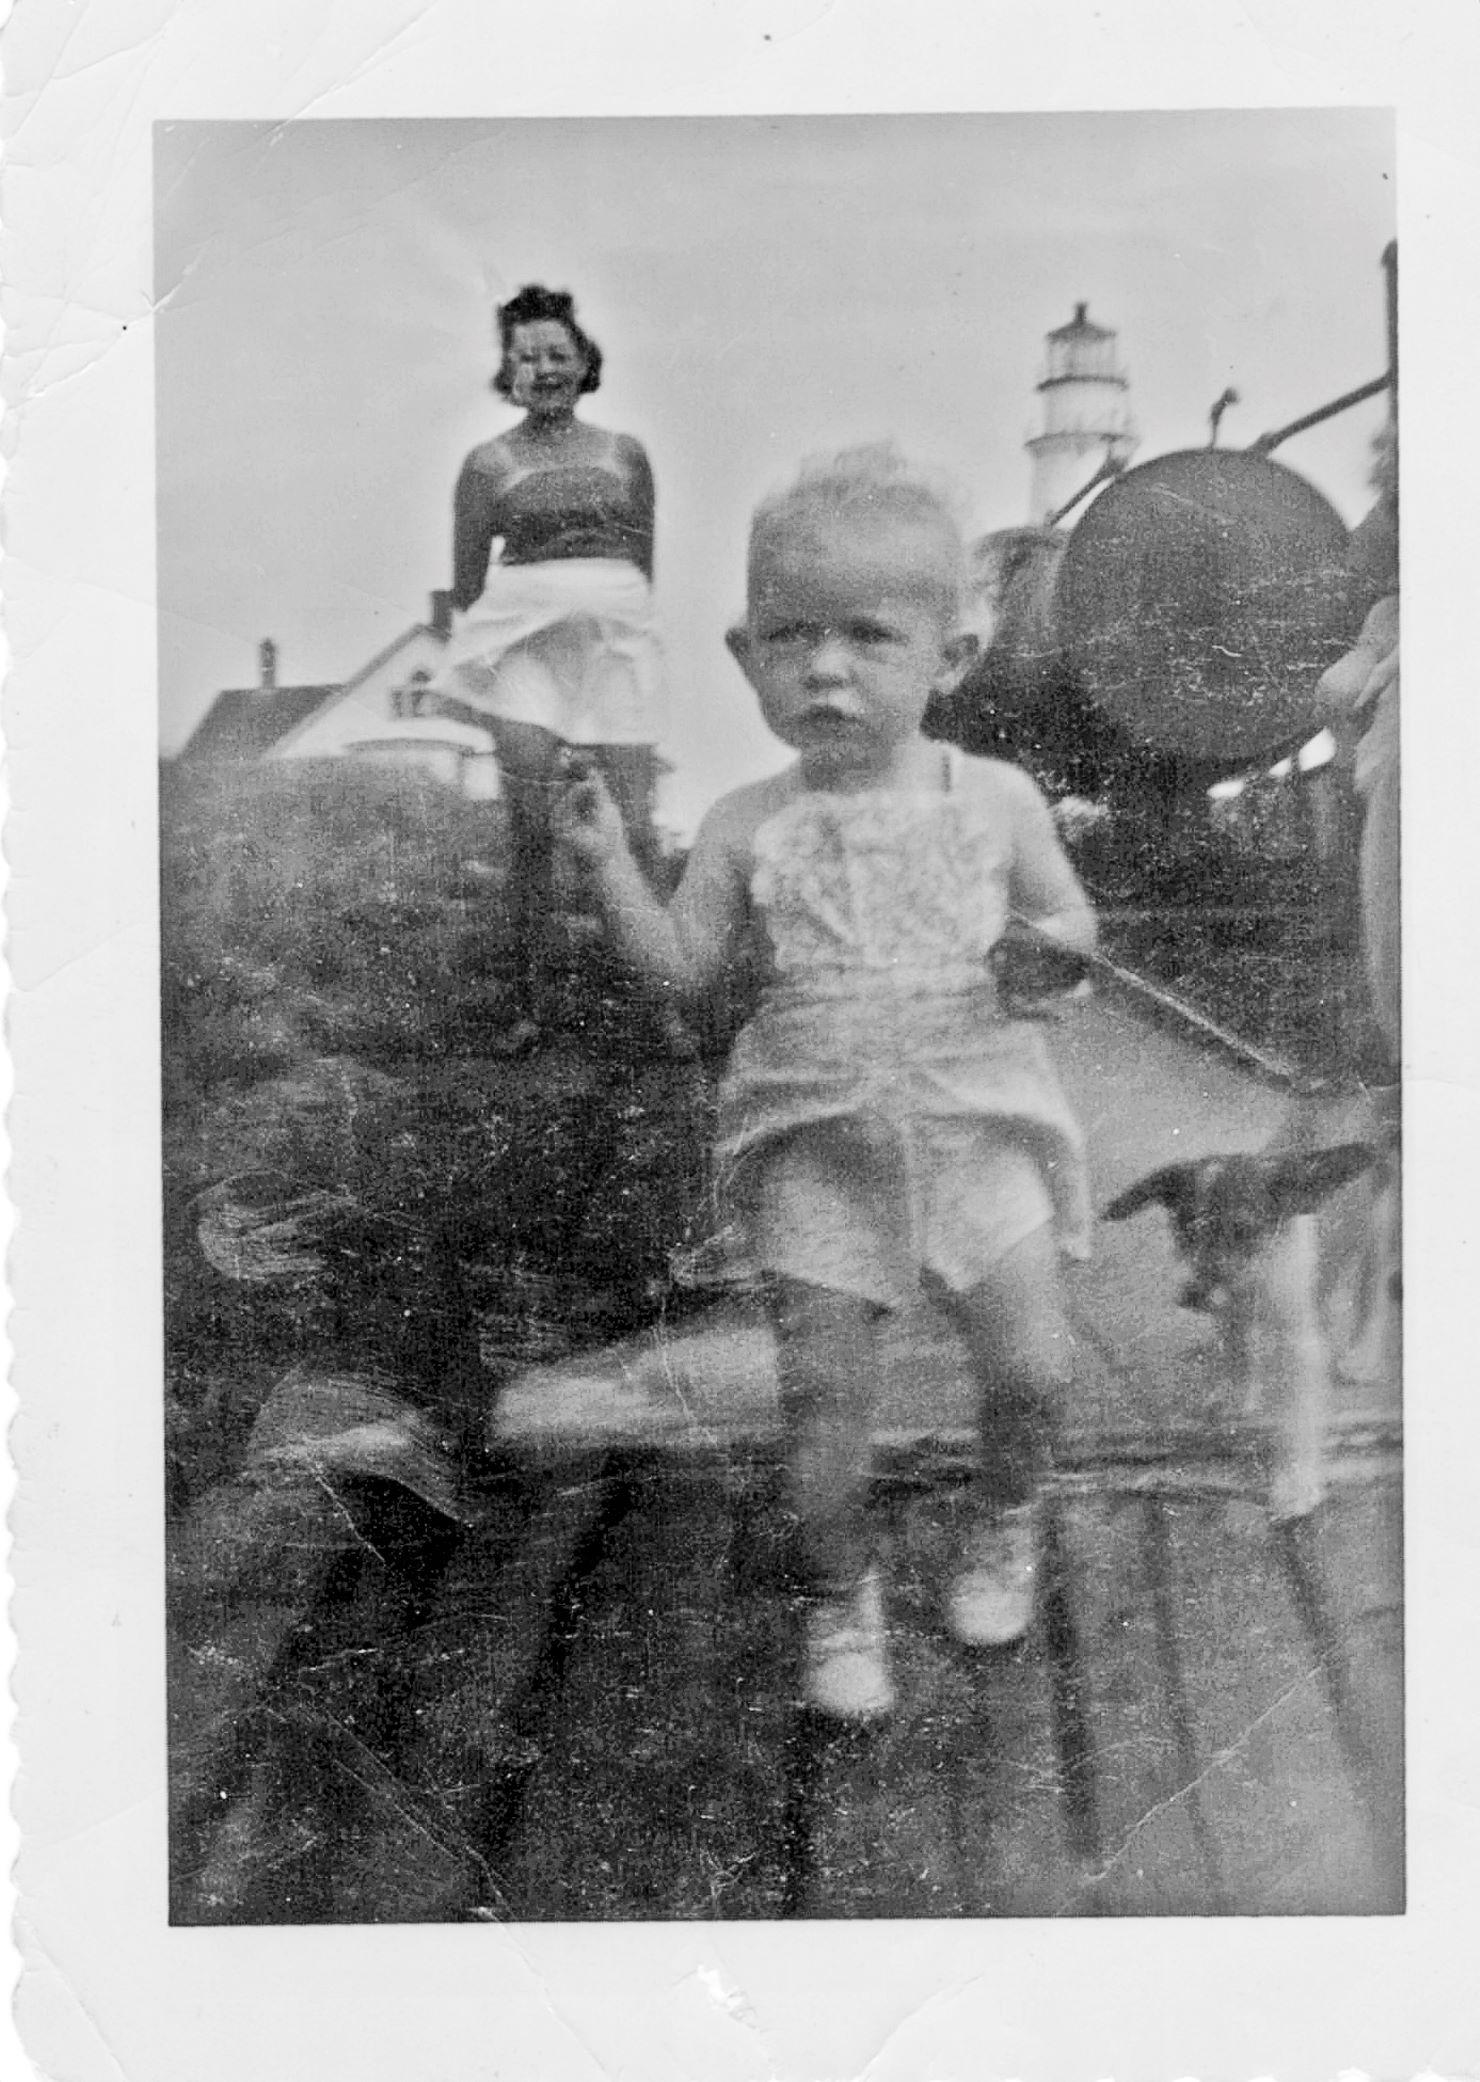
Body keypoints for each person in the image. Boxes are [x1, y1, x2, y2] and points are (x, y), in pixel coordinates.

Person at [555, 444, 1096, 1720]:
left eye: (869, 636)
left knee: (1033, 1375)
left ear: (946, 659)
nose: (827, 668)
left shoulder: (998, 797)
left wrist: (1051, 960)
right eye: (792, 639)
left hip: (979, 1133)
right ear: (746, 657)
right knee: (820, 1437)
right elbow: (687, 972)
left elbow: (1070, 919)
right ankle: (839, 1596)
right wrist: (610, 869)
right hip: (820, 1148)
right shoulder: (749, 820)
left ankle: (1004, 1518)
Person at [431, 284, 666, 1052]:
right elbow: (467, 581)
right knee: (532, 828)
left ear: (584, 361)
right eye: (526, 357)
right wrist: (538, 616)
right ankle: (532, 1007)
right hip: (525, 655)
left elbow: (643, 562)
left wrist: (597, 613)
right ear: (508, 371)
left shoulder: (625, 454)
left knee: (631, 825)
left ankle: (653, 1002)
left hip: (613, 648)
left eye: (557, 354)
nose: (544, 369)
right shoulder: (486, 463)